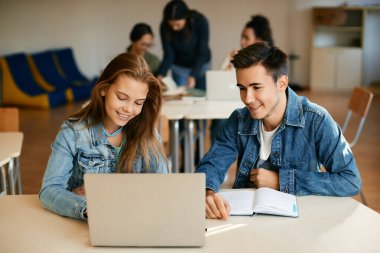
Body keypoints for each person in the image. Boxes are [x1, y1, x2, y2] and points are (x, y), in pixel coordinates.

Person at [195, 42, 362, 220]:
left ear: (281, 83)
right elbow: (213, 163)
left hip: (301, 224)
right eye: (242, 88)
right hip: (247, 227)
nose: (247, 98)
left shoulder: (317, 120)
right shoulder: (238, 120)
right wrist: (207, 191)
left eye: (256, 87)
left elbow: (350, 180)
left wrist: (281, 180)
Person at [39, 53, 169, 220]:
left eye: (138, 103)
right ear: (103, 89)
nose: (129, 109)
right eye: (122, 98)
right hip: (84, 228)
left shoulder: (149, 135)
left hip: (136, 222)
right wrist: (86, 207)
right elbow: (49, 190)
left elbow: (164, 188)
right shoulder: (73, 133)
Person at [157, 0, 211, 91]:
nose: (174, 28)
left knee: (203, 94)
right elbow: (169, 55)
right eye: (171, 25)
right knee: (182, 96)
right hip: (180, 67)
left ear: (186, 18)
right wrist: (160, 75)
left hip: (201, 64)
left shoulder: (200, 21)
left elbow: (202, 50)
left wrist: (193, 75)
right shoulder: (164, 26)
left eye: (178, 24)